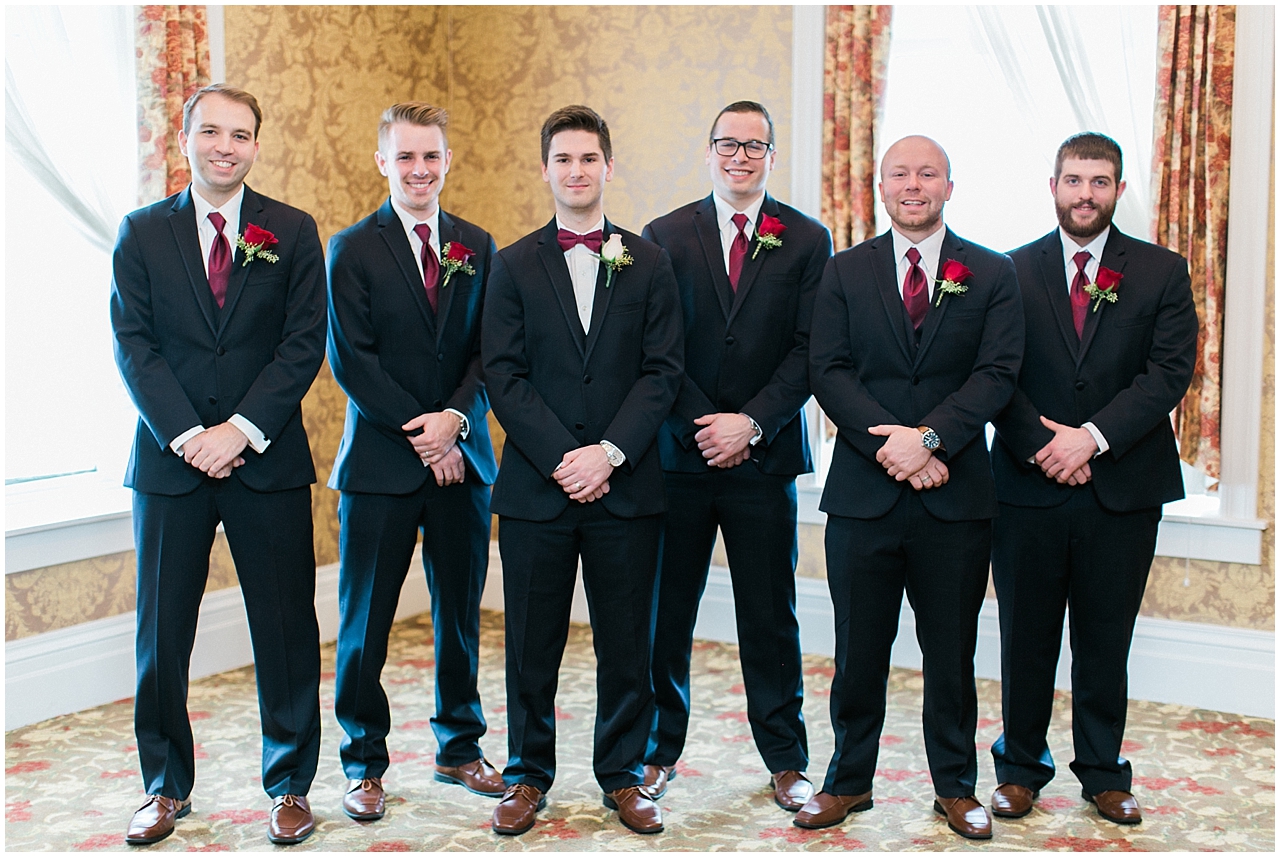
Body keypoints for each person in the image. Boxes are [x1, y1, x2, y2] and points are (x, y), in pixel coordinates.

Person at [110, 84, 327, 846]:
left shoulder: (293, 232)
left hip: (265, 460)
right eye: (211, 131)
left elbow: (302, 344)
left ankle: (291, 783)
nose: (225, 146)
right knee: (162, 633)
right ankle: (164, 786)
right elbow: (133, 346)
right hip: (170, 465)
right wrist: (188, 435)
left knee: (286, 626)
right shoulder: (140, 233)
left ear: (256, 146)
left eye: (240, 134)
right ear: (185, 136)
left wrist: (237, 430)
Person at [802, 135, 1023, 839]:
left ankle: (956, 786)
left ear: (950, 186)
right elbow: (828, 371)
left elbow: (996, 373)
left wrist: (927, 438)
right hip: (864, 500)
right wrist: (892, 445)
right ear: (880, 185)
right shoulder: (843, 271)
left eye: (927, 173)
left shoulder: (992, 273)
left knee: (951, 651)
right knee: (858, 649)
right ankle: (847, 781)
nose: (913, 184)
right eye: (900, 173)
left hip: (956, 498)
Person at [480, 105, 683, 836]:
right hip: (538, 490)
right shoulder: (510, 264)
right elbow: (503, 375)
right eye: (563, 159)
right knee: (531, 642)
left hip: (626, 488)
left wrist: (610, 453)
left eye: (588, 158)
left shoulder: (649, 261)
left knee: (627, 642)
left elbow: (662, 373)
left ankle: (623, 774)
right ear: (545, 169)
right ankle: (528, 773)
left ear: (607, 166)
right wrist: (565, 457)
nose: (576, 171)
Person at [987, 132, 1198, 826]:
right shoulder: (1008, 271)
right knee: (1026, 636)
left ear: (1119, 189)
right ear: (1053, 185)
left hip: (1123, 488)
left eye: (1098, 181)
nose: (1085, 194)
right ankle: (1019, 768)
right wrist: (1046, 444)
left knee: (1106, 637)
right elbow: (993, 375)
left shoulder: (1162, 272)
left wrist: (1092, 439)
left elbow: (1167, 373)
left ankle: (1105, 773)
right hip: (1027, 484)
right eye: (1073, 180)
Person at [640, 100, 832, 809]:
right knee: (669, 613)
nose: (740, 155)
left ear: (772, 156)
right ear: (711, 149)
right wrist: (704, 423)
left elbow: (813, 351)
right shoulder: (662, 236)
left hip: (764, 457)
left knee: (769, 613)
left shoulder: (809, 241)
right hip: (679, 458)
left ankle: (786, 756)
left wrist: (749, 424)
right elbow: (655, 349)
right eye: (729, 143)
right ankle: (656, 752)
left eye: (755, 145)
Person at [326, 102, 502, 823]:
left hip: (465, 464)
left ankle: (459, 747)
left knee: (459, 614)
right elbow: (351, 361)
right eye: (405, 157)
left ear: (447, 161)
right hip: (380, 465)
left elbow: (493, 352)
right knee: (364, 622)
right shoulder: (350, 248)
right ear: (383, 163)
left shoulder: (479, 245)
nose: (419, 170)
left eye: (431, 157)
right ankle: (363, 761)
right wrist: (425, 436)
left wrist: (456, 423)